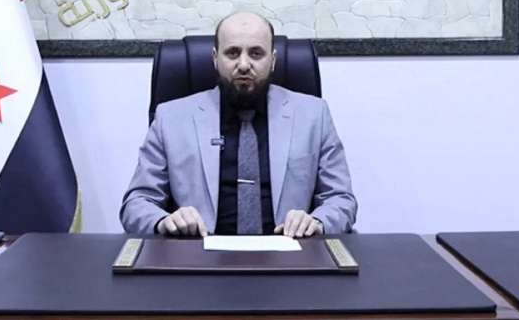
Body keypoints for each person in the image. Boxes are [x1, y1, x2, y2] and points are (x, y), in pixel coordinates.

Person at [120, 12, 356, 237]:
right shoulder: (171, 118)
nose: (243, 64)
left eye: (256, 53)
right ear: (215, 58)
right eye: (232, 53)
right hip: (199, 251)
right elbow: (136, 203)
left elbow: (341, 199)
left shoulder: (314, 115)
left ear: (273, 60)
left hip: (289, 251)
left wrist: (317, 222)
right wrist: (164, 221)